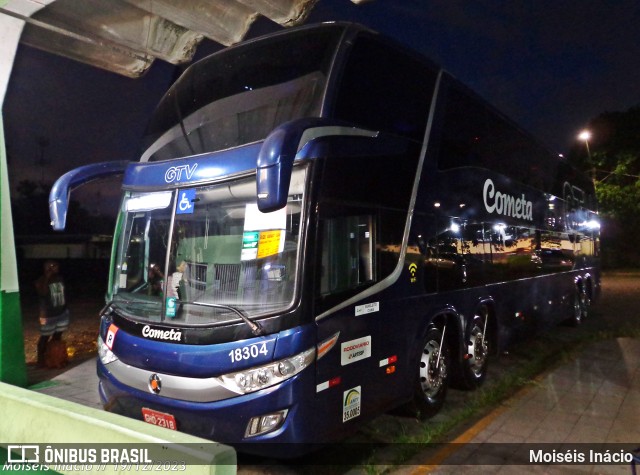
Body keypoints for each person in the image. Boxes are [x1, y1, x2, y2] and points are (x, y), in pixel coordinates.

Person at [34, 260, 70, 368]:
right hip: (48, 315)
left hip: (61, 313)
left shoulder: (59, 278)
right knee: (44, 337)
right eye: (54, 266)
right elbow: (42, 292)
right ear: (48, 268)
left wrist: (65, 308)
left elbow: (63, 293)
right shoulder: (41, 280)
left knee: (57, 336)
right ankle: (41, 360)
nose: (57, 268)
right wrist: (47, 277)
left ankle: (54, 357)